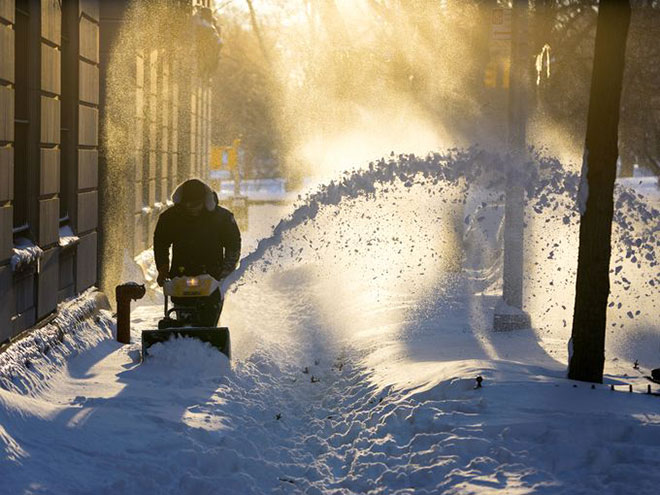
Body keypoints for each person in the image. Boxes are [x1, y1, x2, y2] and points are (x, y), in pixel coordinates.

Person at [153, 178, 241, 326]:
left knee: (209, 315)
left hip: (212, 275)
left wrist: (226, 269)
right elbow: (160, 243)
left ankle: (207, 335)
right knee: (183, 312)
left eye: (195, 204)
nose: (191, 208)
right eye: (187, 204)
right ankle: (184, 334)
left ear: (205, 201)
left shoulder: (222, 218)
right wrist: (162, 268)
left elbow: (233, 244)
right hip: (181, 274)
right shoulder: (170, 218)